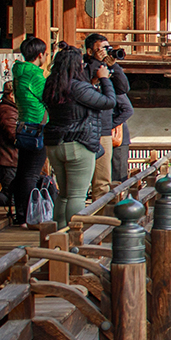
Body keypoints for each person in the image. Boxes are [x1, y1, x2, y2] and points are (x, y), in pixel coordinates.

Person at [42, 46, 117, 226]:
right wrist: (104, 79)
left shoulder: (51, 85)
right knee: (77, 194)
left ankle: (57, 235)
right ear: (77, 65)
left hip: (54, 143)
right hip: (78, 142)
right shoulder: (77, 87)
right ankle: (74, 237)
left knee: (64, 193)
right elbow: (109, 102)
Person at [83, 34, 133, 195]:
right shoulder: (83, 67)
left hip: (104, 130)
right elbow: (85, 86)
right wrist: (98, 66)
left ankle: (101, 218)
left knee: (103, 182)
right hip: (85, 128)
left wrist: (114, 67)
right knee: (82, 181)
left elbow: (123, 89)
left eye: (108, 48)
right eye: (102, 49)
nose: (106, 52)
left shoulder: (109, 69)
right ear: (90, 51)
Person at [10, 36, 49, 228]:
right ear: (41, 55)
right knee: (31, 174)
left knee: (23, 172)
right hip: (38, 127)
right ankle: (28, 217)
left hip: (24, 124)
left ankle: (20, 214)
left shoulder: (19, 71)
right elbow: (47, 97)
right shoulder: (35, 74)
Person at [0, 83, 19, 198]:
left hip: (6, 159)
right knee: (11, 197)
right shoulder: (7, 112)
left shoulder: (8, 110)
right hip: (7, 160)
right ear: (12, 95)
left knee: (2, 192)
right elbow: (14, 136)